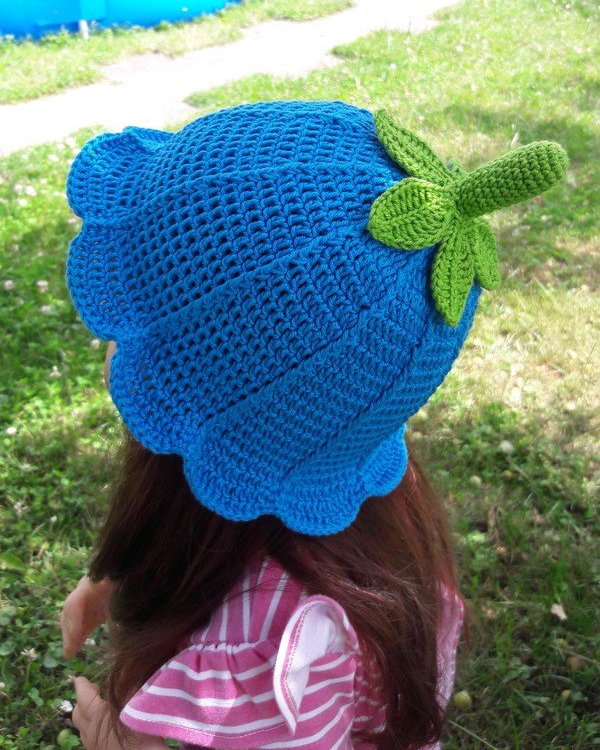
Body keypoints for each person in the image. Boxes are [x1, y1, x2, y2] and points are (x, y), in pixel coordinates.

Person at [59, 101, 567, 750]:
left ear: (227, 412)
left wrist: (117, 741)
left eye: (147, 335)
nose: (115, 341)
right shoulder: (343, 481)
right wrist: (119, 574)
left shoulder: (285, 651)